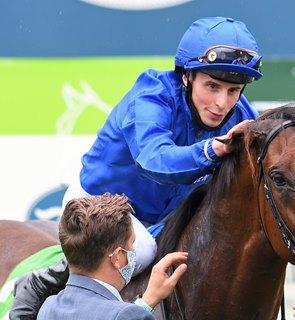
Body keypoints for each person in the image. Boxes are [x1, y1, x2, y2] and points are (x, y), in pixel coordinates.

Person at [11, 16, 263, 319]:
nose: (222, 103)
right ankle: (44, 281)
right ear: (186, 77)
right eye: (212, 86)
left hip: (164, 221)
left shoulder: (242, 116)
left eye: (233, 91)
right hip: (99, 207)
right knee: (139, 250)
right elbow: (153, 160)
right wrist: (212, 149)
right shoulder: (151, 93)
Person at [36, 193, 188, 320]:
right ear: (117, 257)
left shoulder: (48, 308)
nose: (133, 250)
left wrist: (147, 302)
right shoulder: (129, 315)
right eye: (132, 244)